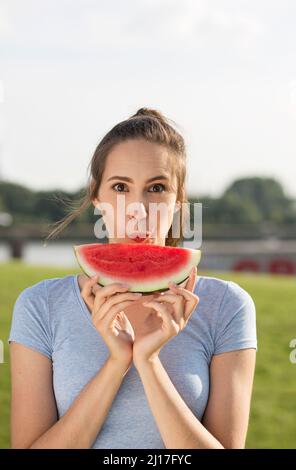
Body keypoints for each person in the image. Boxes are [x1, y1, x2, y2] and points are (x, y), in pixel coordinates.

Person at [8, 107, 257, 449]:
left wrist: (149, 361)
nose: (138, 208)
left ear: (178, 199)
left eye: (156, 188)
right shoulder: (40, 307)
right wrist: (116, 363)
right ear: (97, 195)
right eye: (121, 187)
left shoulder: (226, 306)